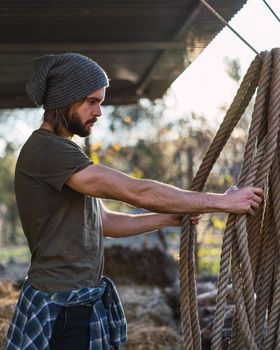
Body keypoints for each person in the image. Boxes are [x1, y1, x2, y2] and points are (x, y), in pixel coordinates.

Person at [4, 53, 263, 350]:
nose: (99, 111)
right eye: (92, 101)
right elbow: (136, 191)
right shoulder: (48, 151)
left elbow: (105, 222)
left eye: (100, 102)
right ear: (65, 99)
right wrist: (221, 202)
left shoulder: (63, 153)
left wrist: (167, 219)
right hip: (62, 304)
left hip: (75, 299)